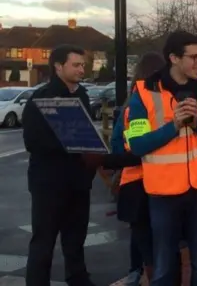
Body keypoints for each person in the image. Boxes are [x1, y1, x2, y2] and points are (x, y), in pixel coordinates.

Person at [126, 30, 197, 285]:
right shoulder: (144, 92)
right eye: (193, 57)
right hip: (163, 192)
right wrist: (173, 126)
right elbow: (138, 144)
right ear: (174, 58)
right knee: (164, 266)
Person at [23, 45, 100, 286]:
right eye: (76, 64)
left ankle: (78, 280)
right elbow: (32, 141)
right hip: (49, 183)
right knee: (43, 242)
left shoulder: (83, 95)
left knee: (76, 240)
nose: (81, 69)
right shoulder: (41, 97)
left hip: (78, 182)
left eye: (82, 65)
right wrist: (68, 140)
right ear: (58, 66)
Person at [100, 52, 166, 285]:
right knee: (161, 247)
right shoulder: (168, 105)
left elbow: (120, 146)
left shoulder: (131, 107)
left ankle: (136, 272)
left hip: (135, 185)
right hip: (162, 183)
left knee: (144, 241)